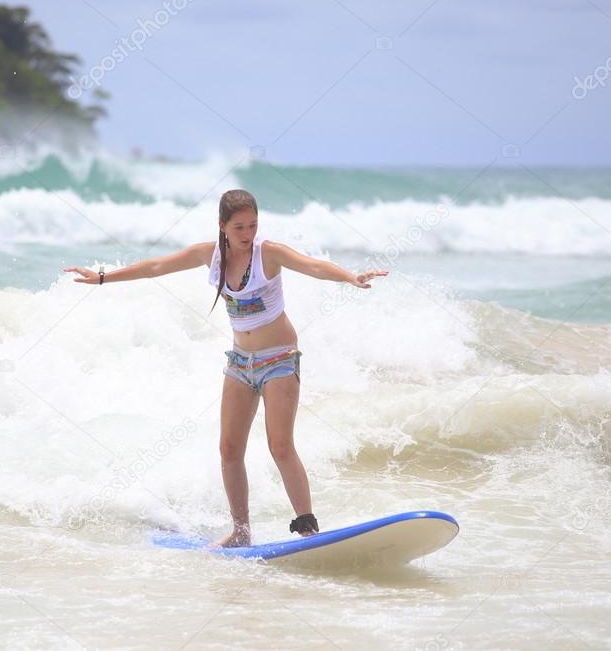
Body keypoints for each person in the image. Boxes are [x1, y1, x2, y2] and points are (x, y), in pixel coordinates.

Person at [64, 189, 388, 546]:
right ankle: (240, 533)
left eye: (253, 225)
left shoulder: (269, 253)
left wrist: (350, 277)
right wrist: (103, 277)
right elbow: (156, 266)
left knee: (280, 446)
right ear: (222, 226)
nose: (248, 234)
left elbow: (312, 265)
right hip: (239, 363)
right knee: (229, 451)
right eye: (239, 227)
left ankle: (308, 529)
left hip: (279, 359)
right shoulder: (210, 255)